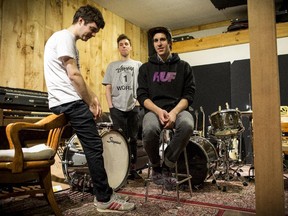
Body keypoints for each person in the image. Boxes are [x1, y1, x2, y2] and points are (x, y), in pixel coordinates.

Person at [43, 5, 135, 212]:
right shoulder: (65, 37)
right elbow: (74, 75)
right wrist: (90, 101)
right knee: (94, 147)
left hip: (67, 100)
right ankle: (104, 199)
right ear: (81, 20)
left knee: (93, 144)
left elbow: (76, 77)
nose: (92, 35)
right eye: (92, 29)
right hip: (69, 101)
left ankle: (105, 191)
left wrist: (92, 97)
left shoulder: (63, 39)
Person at [137, 26, 196, 190]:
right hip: (154, 111)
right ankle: (156, 166)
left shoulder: (184, 66)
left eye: (162, 39)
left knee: (188, 125)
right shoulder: (145, 68)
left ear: (170, 42)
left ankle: (168, 165)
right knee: (149, 129)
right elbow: (142, 96)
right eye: (155, 40)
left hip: (179, 110)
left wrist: (174, 113)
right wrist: (158, 111)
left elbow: (189, 95)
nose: (159, 43)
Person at [102, 34, 142, 180]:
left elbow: (143, 86)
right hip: (117, 108)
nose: (124, 46)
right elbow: (108, 88)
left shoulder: (138, 65)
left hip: (133, 106)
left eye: (126, 43)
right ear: (118, 48)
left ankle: (132, 169)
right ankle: (120, 170)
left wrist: (139, 102)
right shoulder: (112, 66)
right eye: (121, 44)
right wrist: (111, 107)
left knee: (132, 138)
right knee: (120, 139)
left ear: (130, 47)